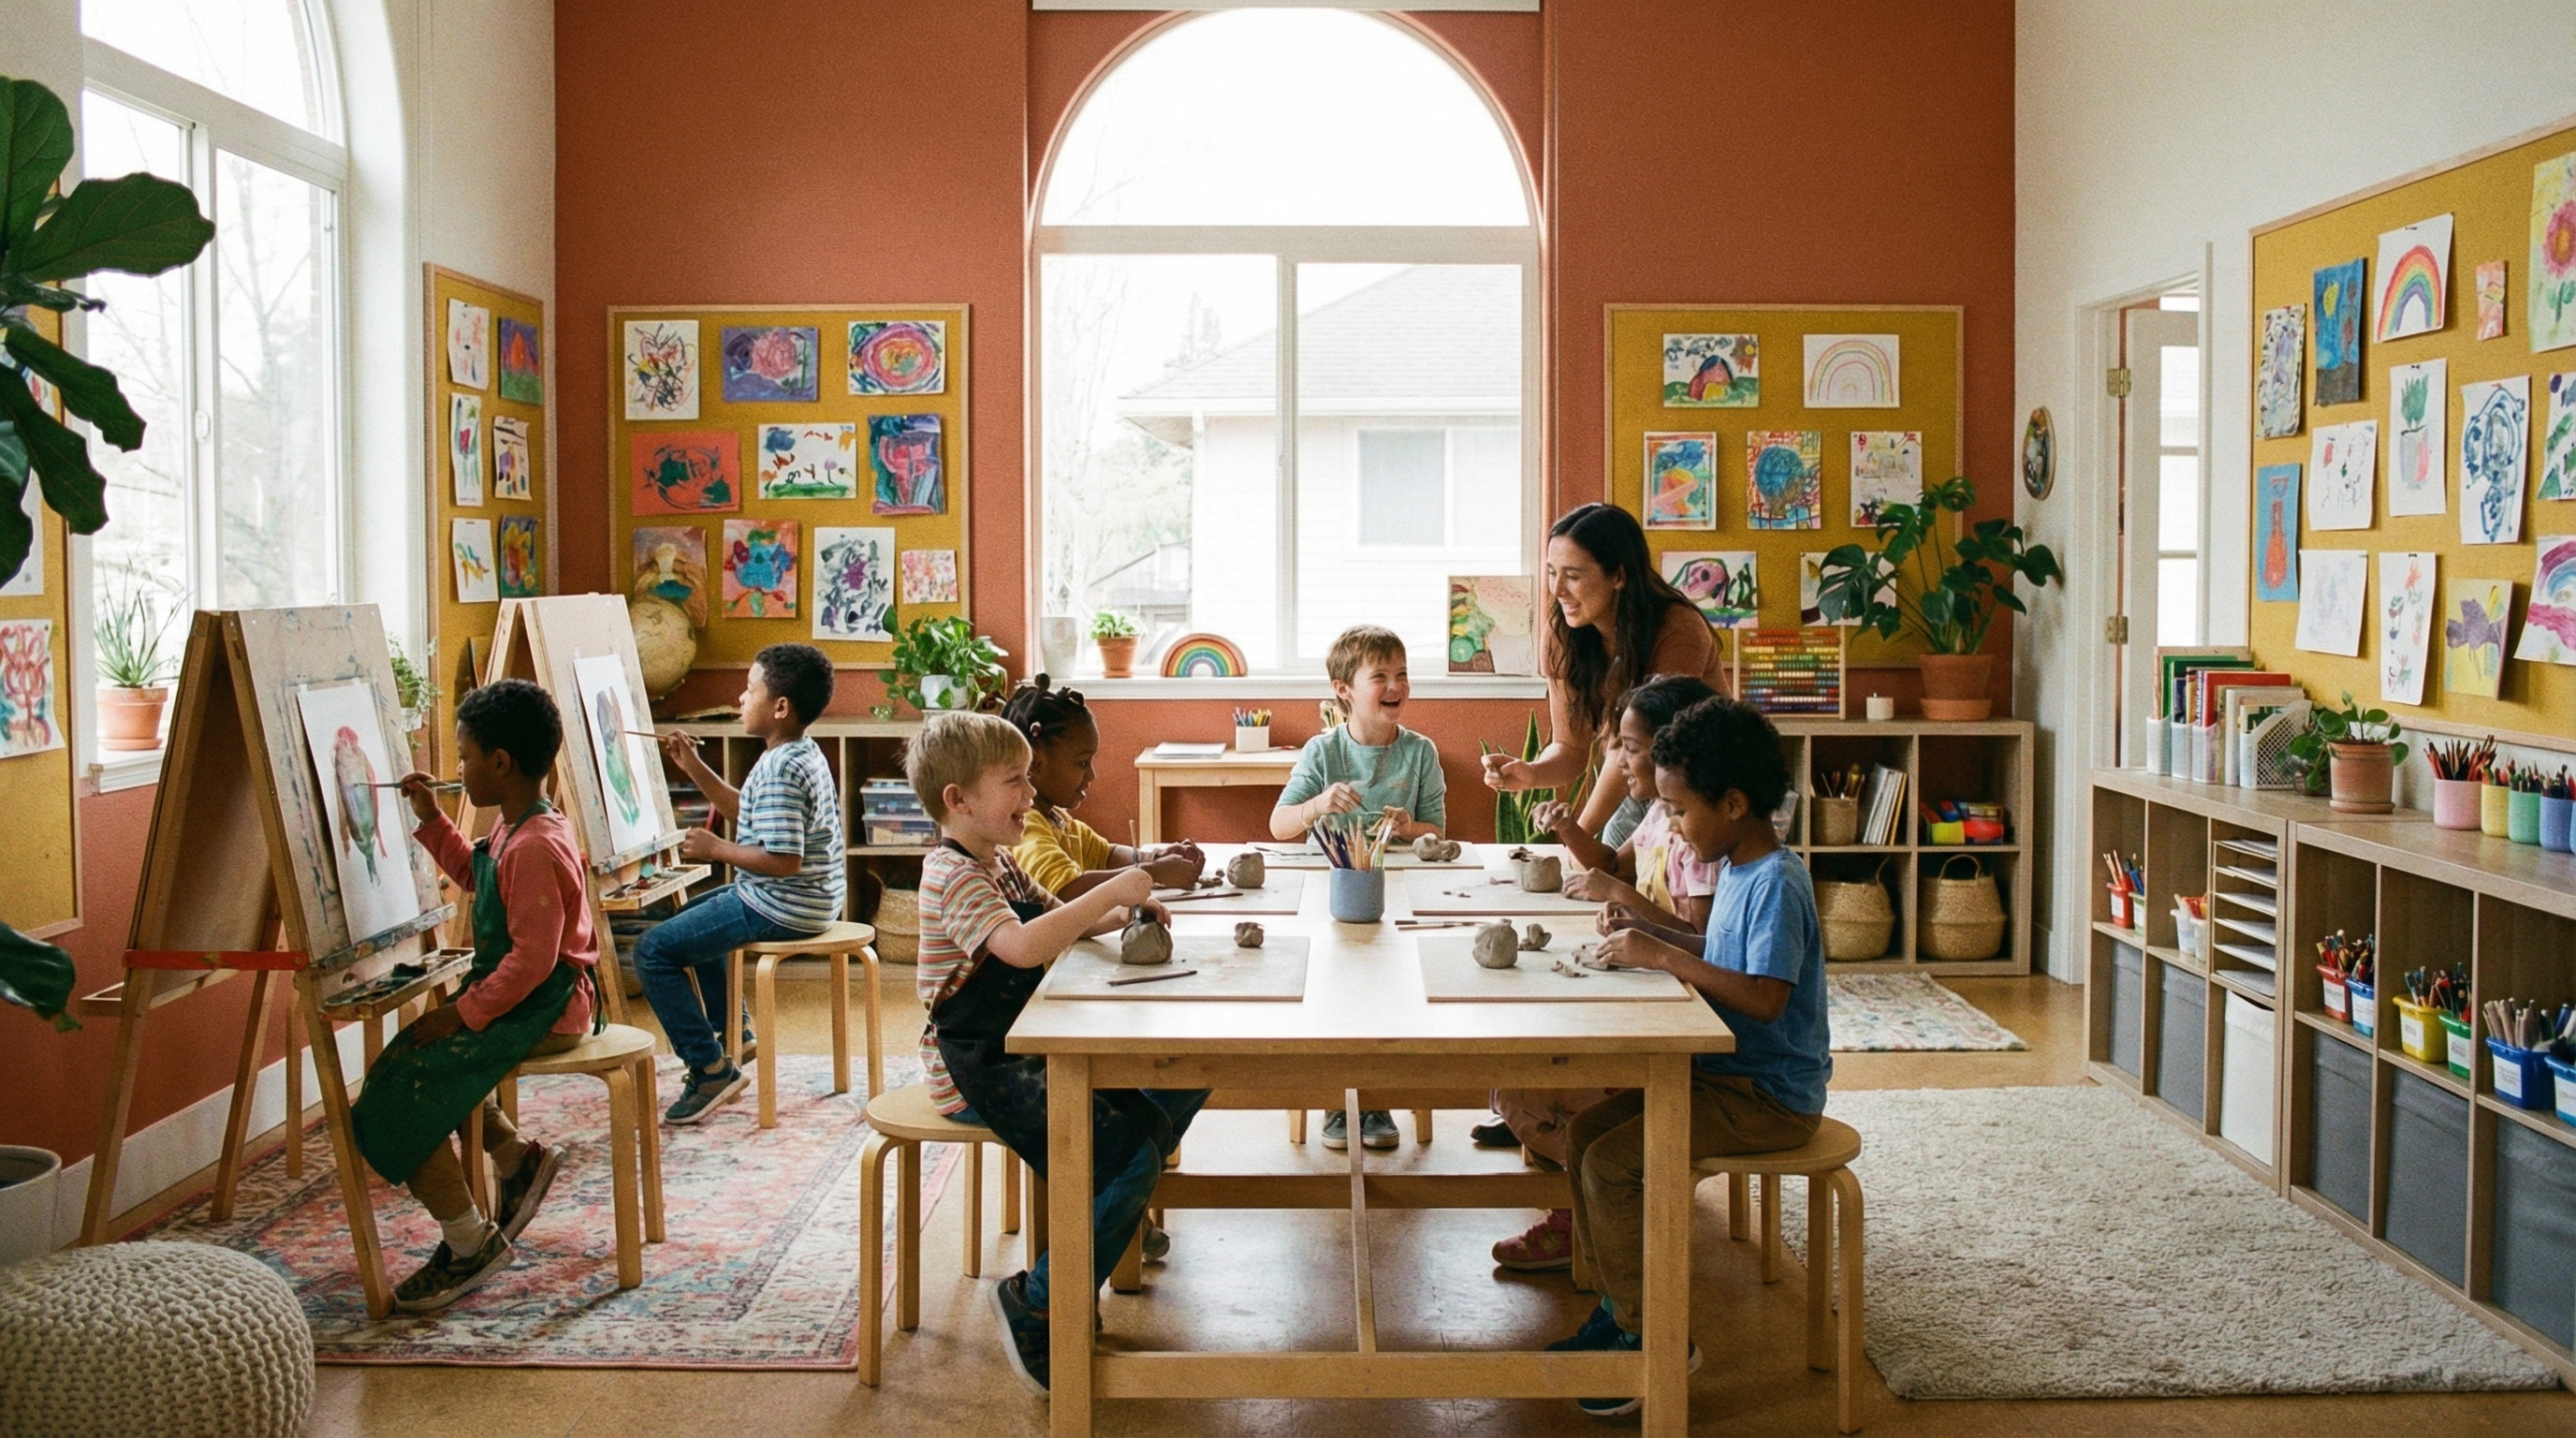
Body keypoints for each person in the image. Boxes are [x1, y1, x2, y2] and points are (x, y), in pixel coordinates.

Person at [903, 711, 1206, 1397]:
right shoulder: (952, 875)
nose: (1031, 795)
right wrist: (1115, 888)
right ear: (958, 800)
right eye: (1014, 782)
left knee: (1172, 1090)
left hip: (1024, 1044)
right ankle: (1037, 1299)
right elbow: (1020, 946)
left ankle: (1116, 1213)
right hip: (976, 1069)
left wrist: (1126, 911)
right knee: (1129, 1152)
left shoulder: (999, 862)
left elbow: (1052, 920)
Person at [1546, 697, 1831, 1420]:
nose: (1670, 825)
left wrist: (1662, 952)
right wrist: (1649, 929)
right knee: (1584, 1138)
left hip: (1767, 1097)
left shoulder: (1773, 881)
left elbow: (1764, 998)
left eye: (1678, 810)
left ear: (1733, 803)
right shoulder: (1736, 863)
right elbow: (1723, 955)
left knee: (1614, 1164)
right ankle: (1621, 1309)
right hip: (1723, 1079)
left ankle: (1656, 1338)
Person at [352, 679, 599, 1313]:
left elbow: (532, 959)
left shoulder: (537, 845)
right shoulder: (517, 827)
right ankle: (515, 1158)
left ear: (499, 763)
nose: (456, 768)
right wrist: (431, 819)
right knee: (417, 1058)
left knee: (409, 1084)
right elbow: (474, 874)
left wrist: (462, 1013)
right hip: (523, 996)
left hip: (548, 1005)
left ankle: (468, 1241)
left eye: (463, 756)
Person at [1484, 673, 1719, 1272]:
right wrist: (1570, 832)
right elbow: (1612, 862)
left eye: (1629, 748)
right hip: (1635, 983)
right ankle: (1586, 1206)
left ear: (1672, 752)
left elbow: (1700, 939)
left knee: (1523, 1084)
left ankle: (1585, 1218)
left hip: (1671, 1009)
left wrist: (1621, 896)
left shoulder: (1697, 836)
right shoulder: (1662, 818)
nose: (1617, 761)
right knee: (1515, 1073)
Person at [641, 642, 846, 1124]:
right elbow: (753, 816)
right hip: (803, 898)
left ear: (780, 707)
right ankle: (734, 1031)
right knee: (689, 922)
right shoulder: (796, 751)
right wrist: (693, 767)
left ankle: (710, 1067)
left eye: (749, 689)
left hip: (785, 902)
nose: (739, 698)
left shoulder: (780, 768)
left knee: (653, 951)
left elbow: (784, 860)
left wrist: (717, 850)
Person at [1268, 624, 1446, 1151]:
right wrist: (1318, 804)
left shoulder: (1421, 752)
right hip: (1333, 893)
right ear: (1343, 689)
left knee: (1394, 985)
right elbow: (1280, 825)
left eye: (1403, 675)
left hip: (1397, 893)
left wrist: (1409, 826)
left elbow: (1438, 832)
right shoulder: (1322, 753)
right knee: (1333, 984)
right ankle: (1336, 1098)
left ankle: (1376, 1098)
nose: (1396, 686)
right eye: (1381, 676)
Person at [1481, 504, 1730, 807]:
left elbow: (1630, 747)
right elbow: (1571, 747)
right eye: (1551, 573)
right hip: (1644, 785)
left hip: (1712, 791)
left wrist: (1581, 836)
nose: (1557, 589)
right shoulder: (1563, 631)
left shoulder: (1678, 628)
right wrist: (1532, 773)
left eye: (1572, 575)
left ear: (1618, 576)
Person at [1003, 675, 1205, 898]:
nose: (1091, 774)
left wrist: (1155, 858)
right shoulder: (1025, 825)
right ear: (1036, 763)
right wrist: (1151, 873)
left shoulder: (1056, 819)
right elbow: (1066, 891)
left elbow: (1106, 855)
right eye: (1082, 763)